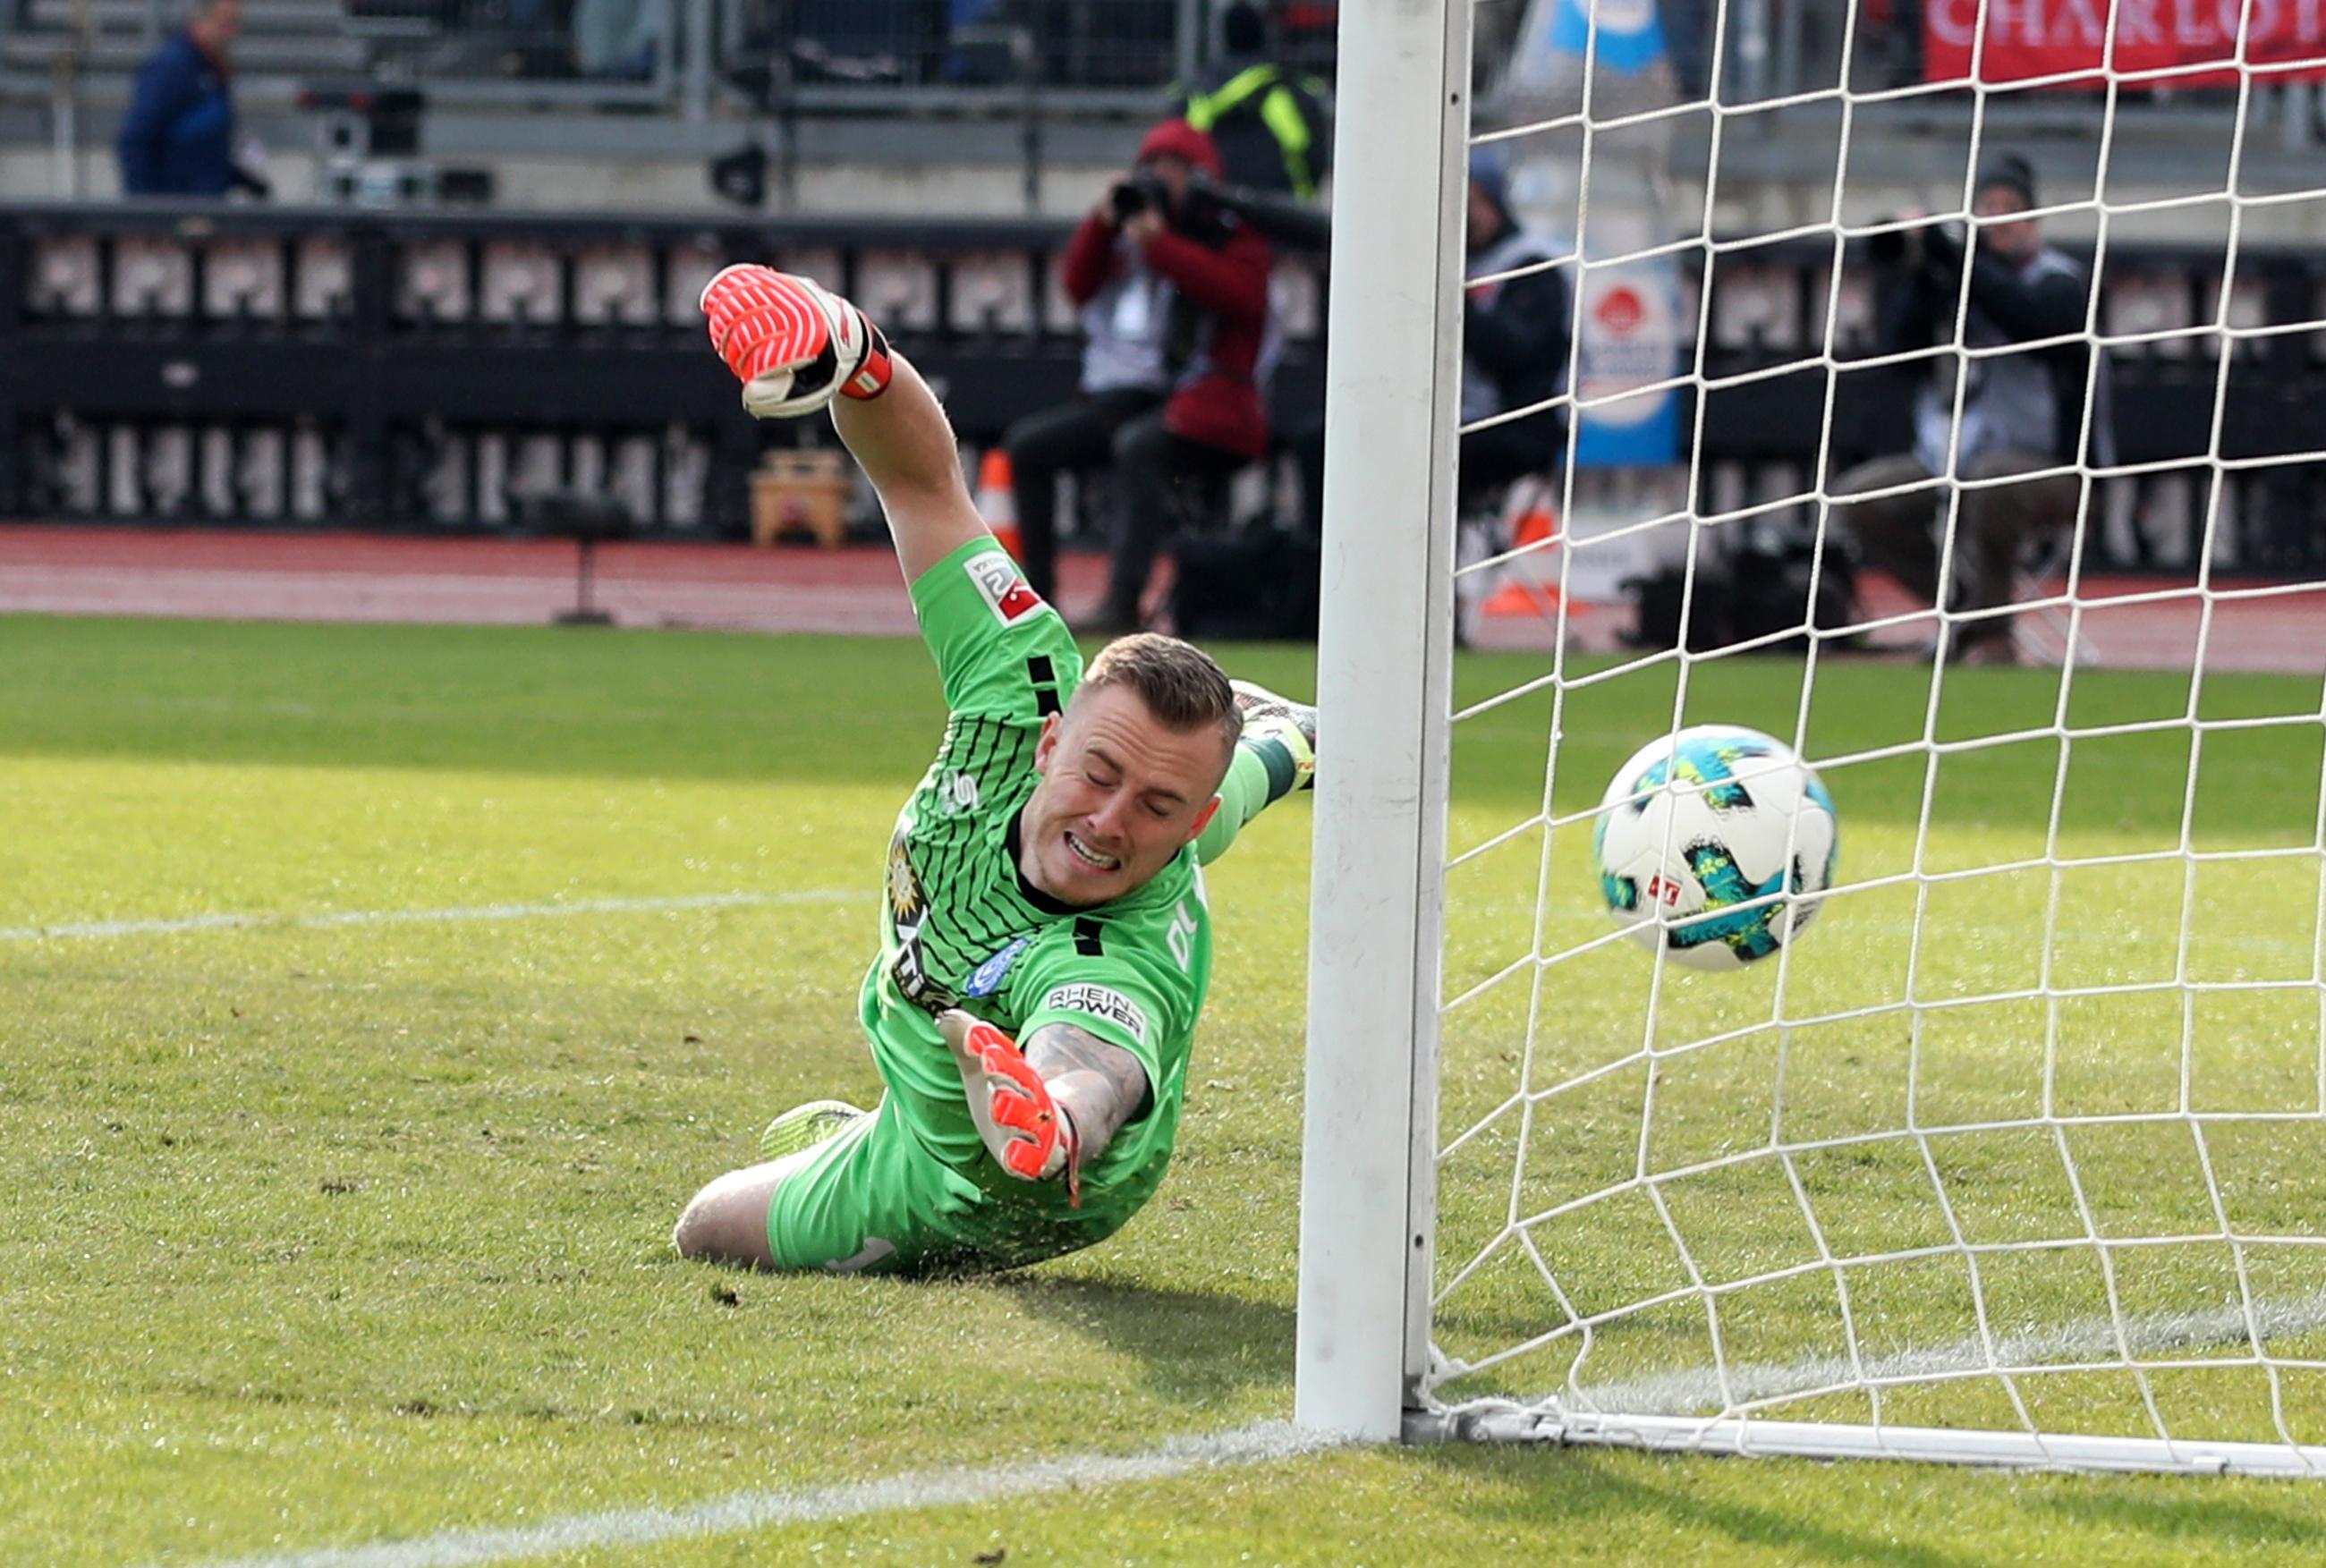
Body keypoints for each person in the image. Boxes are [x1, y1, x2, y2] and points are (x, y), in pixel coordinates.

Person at [672, 262, 1318, 1276]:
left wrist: (1049, 1116)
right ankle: (1297, 731)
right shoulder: (1019, 688)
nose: (1110, 820)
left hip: (992, 1186)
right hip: (923, 1092)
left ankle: (1293, 734)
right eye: (1098, 772)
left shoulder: (1118, 953)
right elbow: (922, 485)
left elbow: (1094, 1065)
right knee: (1264, 761)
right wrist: (854, 356)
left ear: (1188, 826)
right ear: (1050, 741)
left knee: (711, 1227)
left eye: (1158, 806)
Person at [1831, 152, 2114, 663]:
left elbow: (2033, 324)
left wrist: (1959, 260)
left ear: (2035, 218)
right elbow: (1896, 355)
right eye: (1988, 206)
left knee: (1990, 480)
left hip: (2055, 469)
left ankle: (1990, 636)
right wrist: (1921, 273)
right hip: (1946, 461)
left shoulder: (2060, 281)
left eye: (2011, 207)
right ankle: (1966, 606)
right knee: (1858, 499)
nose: (1998, 219)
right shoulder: (1953, 283)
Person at [1006, 120, 1274, 630]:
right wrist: (1102, 222)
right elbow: (1076, 284)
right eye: (1152, 167)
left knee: (1138, 447)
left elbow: (1238, 295)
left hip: (1212, 401)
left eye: (1176, 169)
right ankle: (1037, 604)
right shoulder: (1126, 235)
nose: (1162, 179)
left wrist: (1161, 246)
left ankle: (1123, 604)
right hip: (1132, 395)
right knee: (1029, 447)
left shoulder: (1230, 234)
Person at [1458, 149, 1571, 513]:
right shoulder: (1464, 261)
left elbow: (1512, 350)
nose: (1464, 216)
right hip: (1459, 417)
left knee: (1423, 454)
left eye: (1471, 201)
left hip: (1520, 425)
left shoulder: (1529, 263)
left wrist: (1456, 301)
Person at [1175, 1, 1332, 202]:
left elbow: (1173, 151)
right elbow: (1313, 156)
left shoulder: (1197, 93)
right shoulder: (1287, 90)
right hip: (1281, 212)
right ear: (1263, 32)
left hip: (1212, 209)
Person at [116, 0, 266, 199]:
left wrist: (241, 178)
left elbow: (204, 147)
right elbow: (135, 140)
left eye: (235, 24)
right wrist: (144, 207)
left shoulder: (214, 70)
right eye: (226, 24)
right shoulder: (171, 68)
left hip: (207, 206)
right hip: (174, 208)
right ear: (201, 20)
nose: (232, 34)